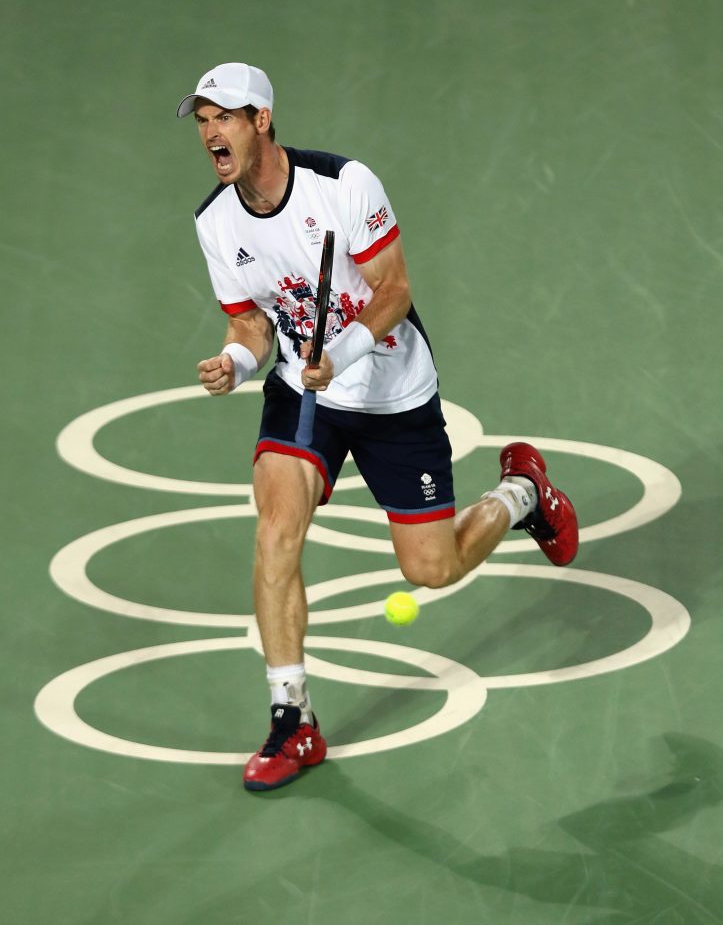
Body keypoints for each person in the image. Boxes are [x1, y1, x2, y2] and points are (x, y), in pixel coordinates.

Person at [176, 62, 579, 792]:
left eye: (222, 117)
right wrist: (236, 365)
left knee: (431, 568)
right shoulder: (215, 220)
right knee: (274, 530)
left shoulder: (343, 185)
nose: (209, 133)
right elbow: (250, 319)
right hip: (305, 390)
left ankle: (521, 492)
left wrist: (348, 348)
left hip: (392, 387)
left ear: (260, 120)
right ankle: (290, 716)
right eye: (201, 120)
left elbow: (393, 290)